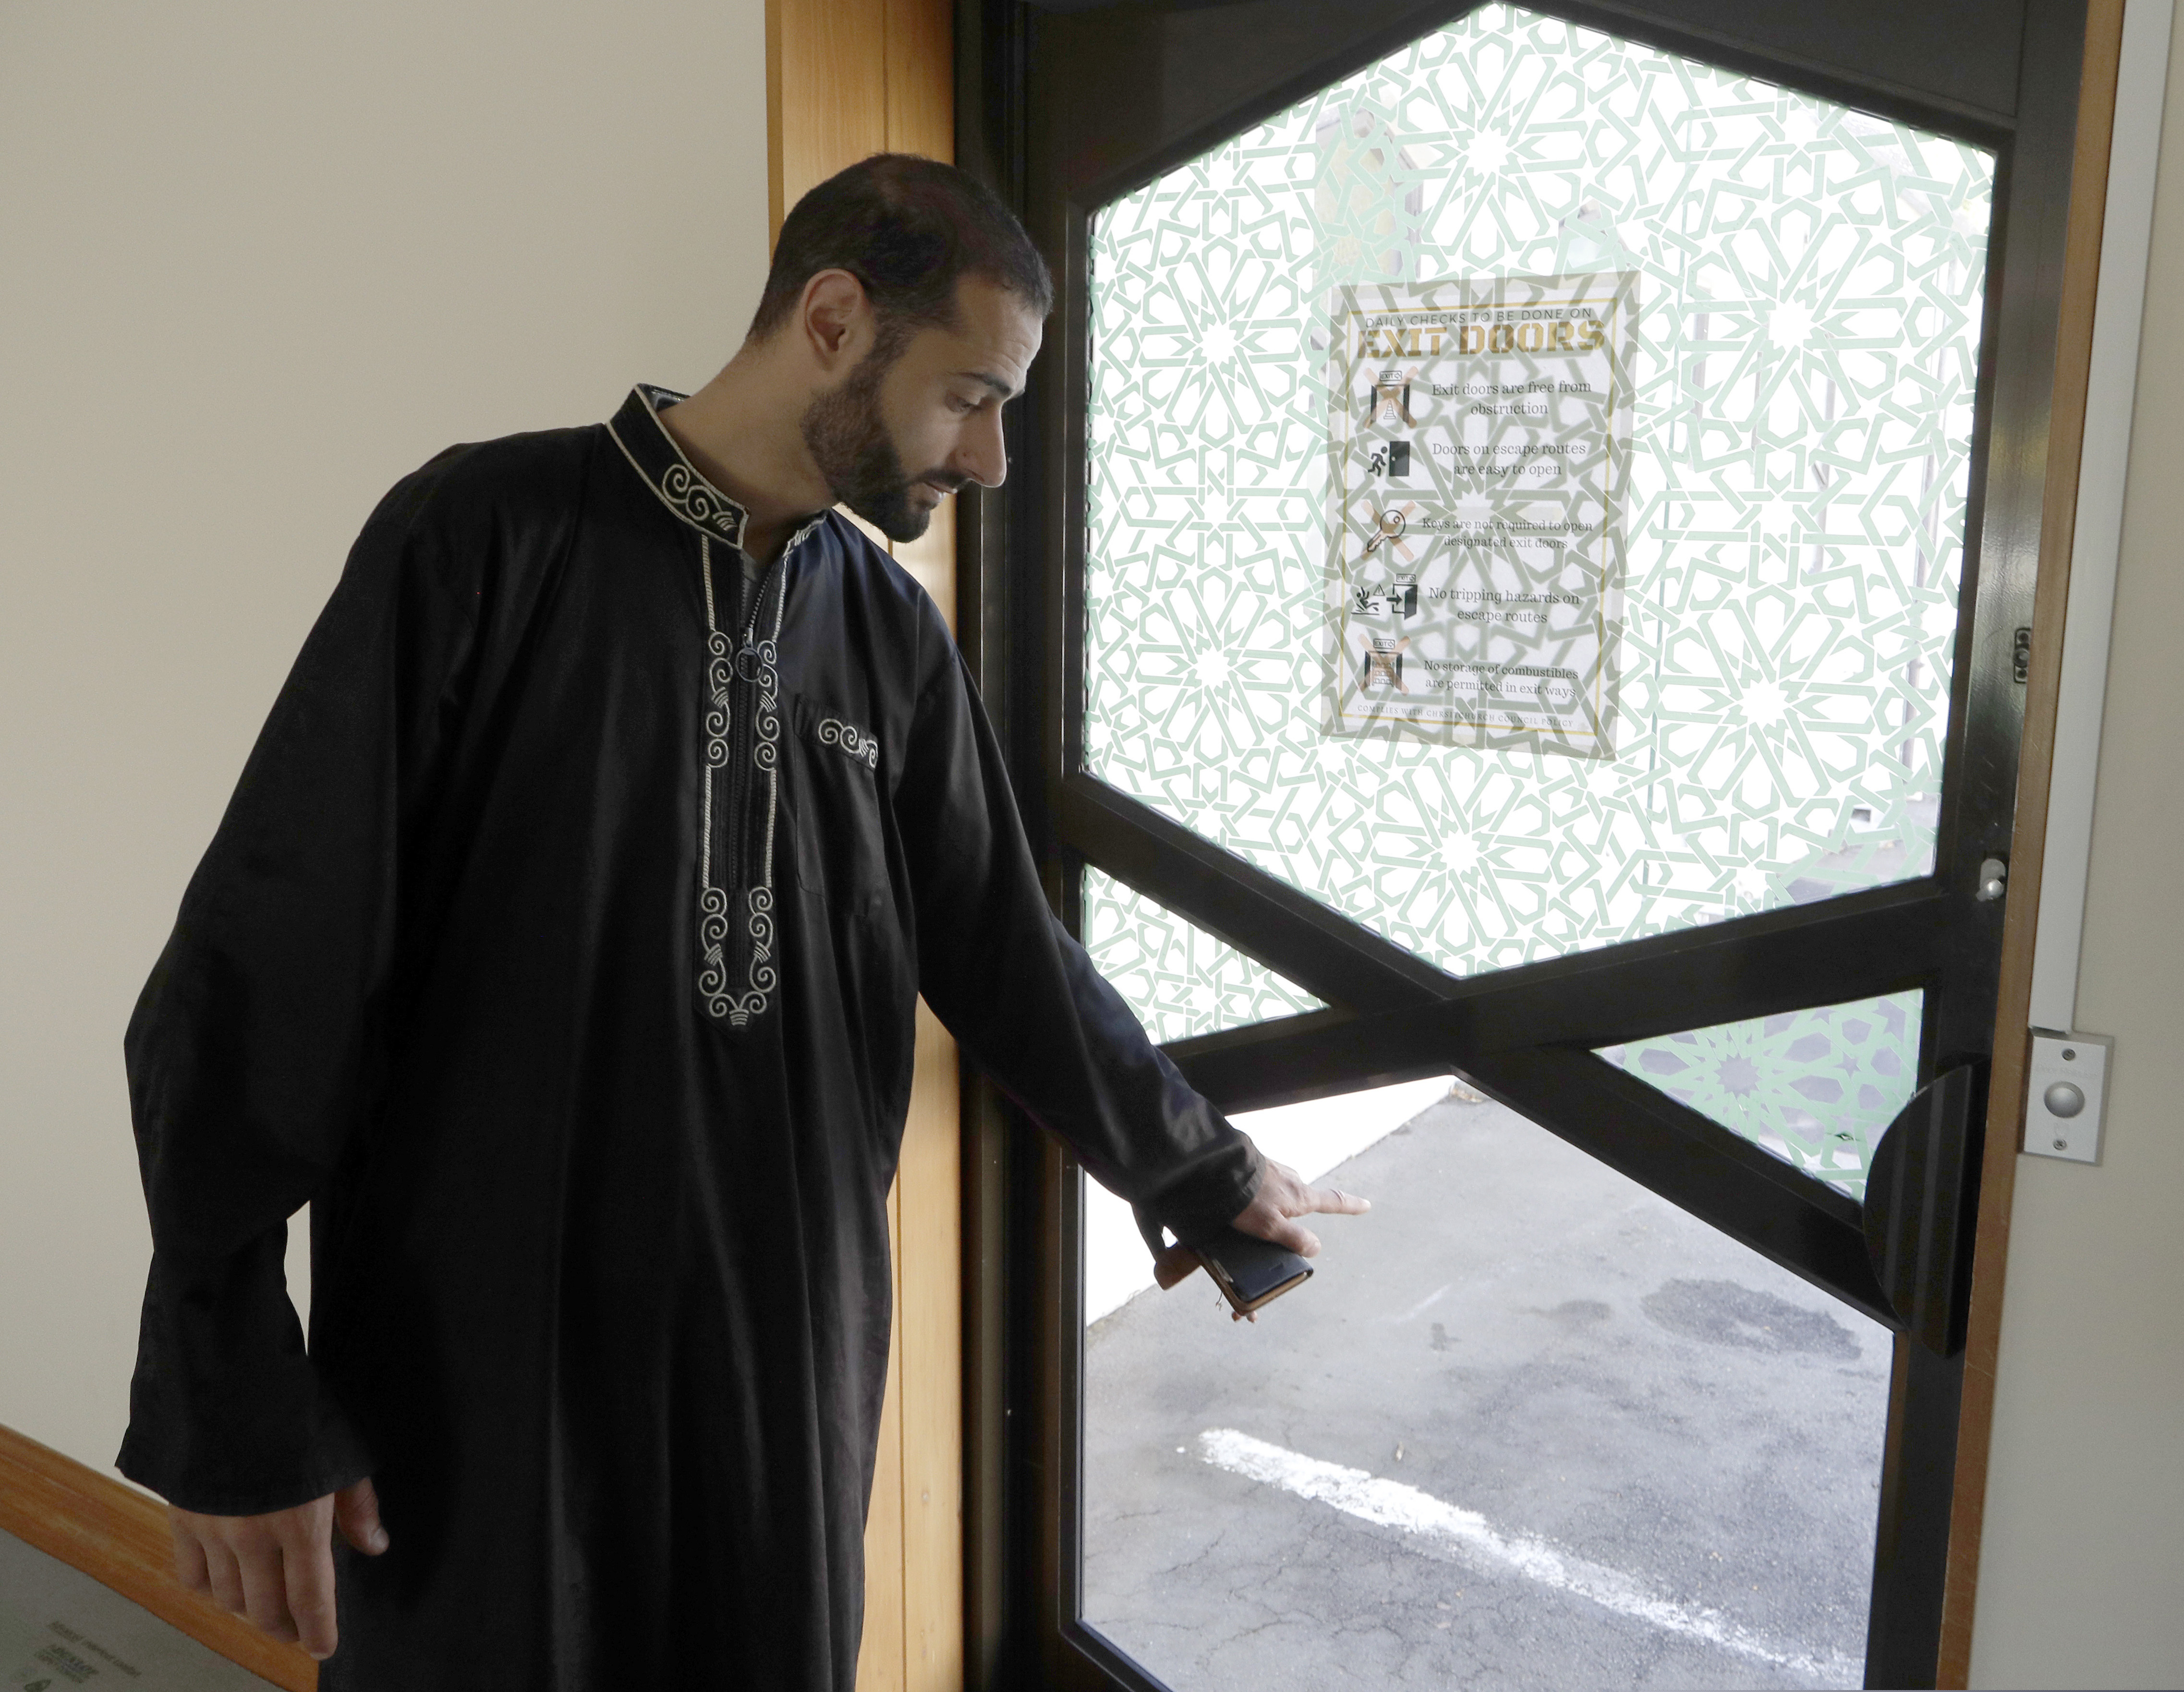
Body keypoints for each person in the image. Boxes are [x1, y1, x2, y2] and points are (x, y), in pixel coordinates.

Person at [120, 152, 1367, 1690]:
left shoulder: (885, 633)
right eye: (970, 394)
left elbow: (999, 946)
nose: (988, 459)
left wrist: (1198, 1160)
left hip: (780, 1362)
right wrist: (231, 1382)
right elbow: (264, 962)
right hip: (485, 1365)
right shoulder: (488, 537)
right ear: (834, 320)